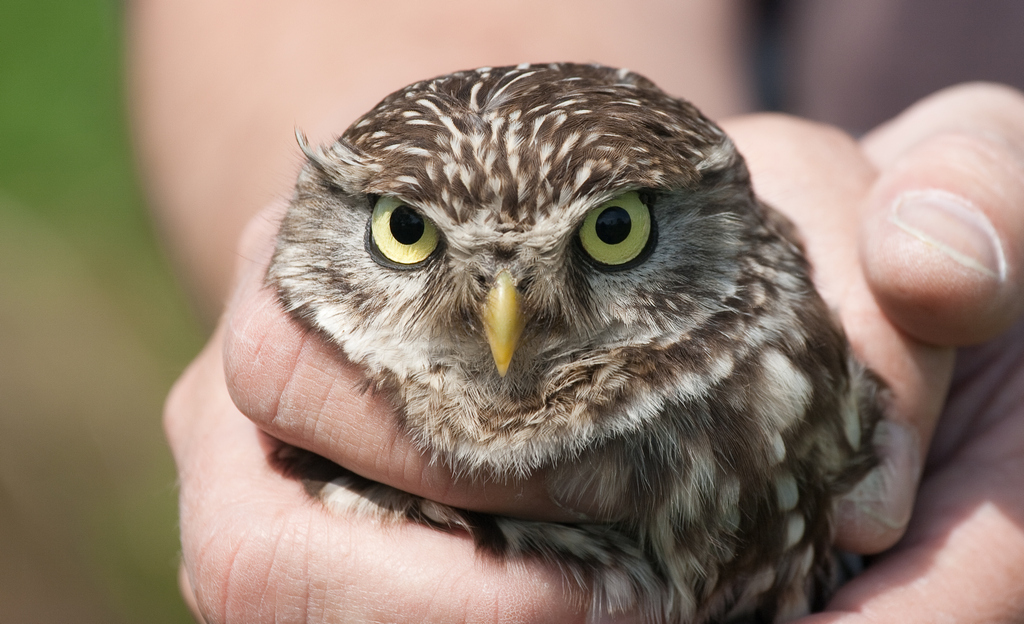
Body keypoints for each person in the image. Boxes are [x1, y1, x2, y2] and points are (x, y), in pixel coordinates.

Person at [129, 1, 1024, 621]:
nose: (504, 317)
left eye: (614, 234)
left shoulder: (785, 369)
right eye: (409, 235)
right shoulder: (317, 398)